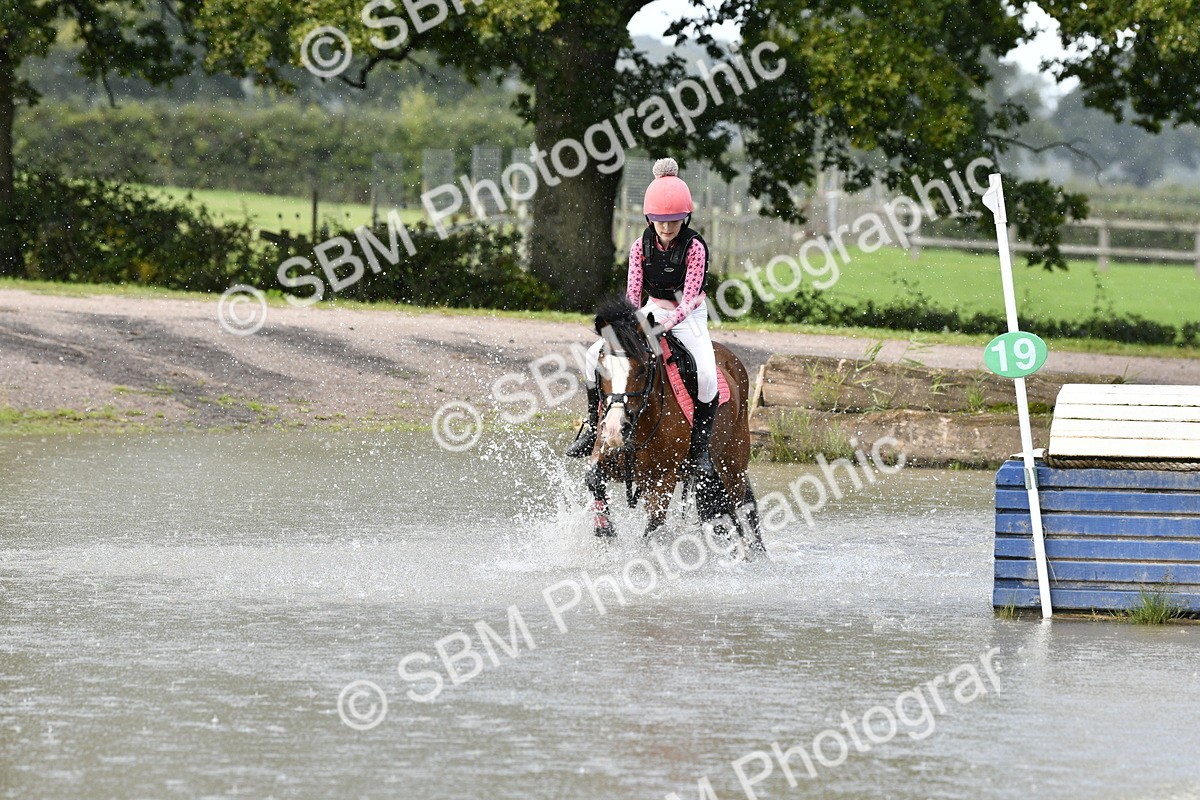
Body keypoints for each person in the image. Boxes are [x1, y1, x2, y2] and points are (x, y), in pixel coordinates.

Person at [565, 157, 720, 479]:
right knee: (595, 355)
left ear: (685, 217)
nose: (667, 227)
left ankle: (700, 449)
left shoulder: (694, 247)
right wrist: (631, 324)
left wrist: (664, 326)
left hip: (688, 316)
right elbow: (633, 294)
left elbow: (690, 297)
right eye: (661, 221)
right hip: (648, 310)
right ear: (650, 218)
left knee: (706, 374)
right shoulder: (640, 246)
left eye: (674, 220)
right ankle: (592, 429)